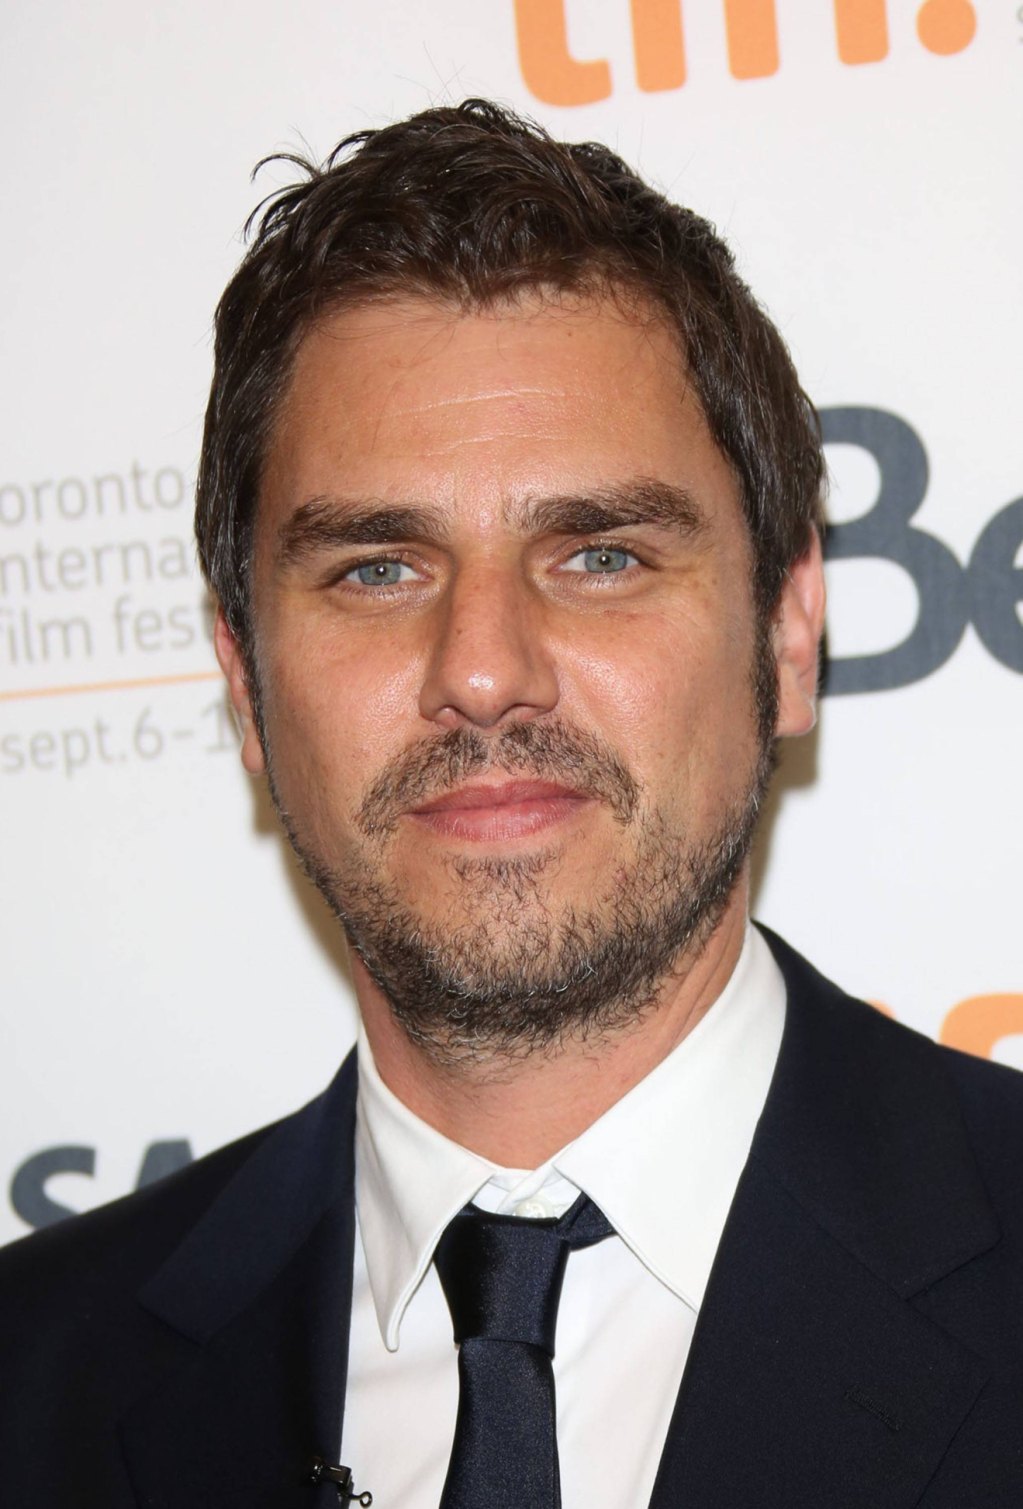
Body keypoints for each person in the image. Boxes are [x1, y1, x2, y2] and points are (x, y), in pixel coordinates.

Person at [1, 98, 1021, 1508]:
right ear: (244, 682)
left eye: (600, 556)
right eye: (377, 569)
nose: (482, 672)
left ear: (789, 633)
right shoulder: (31, 1381)